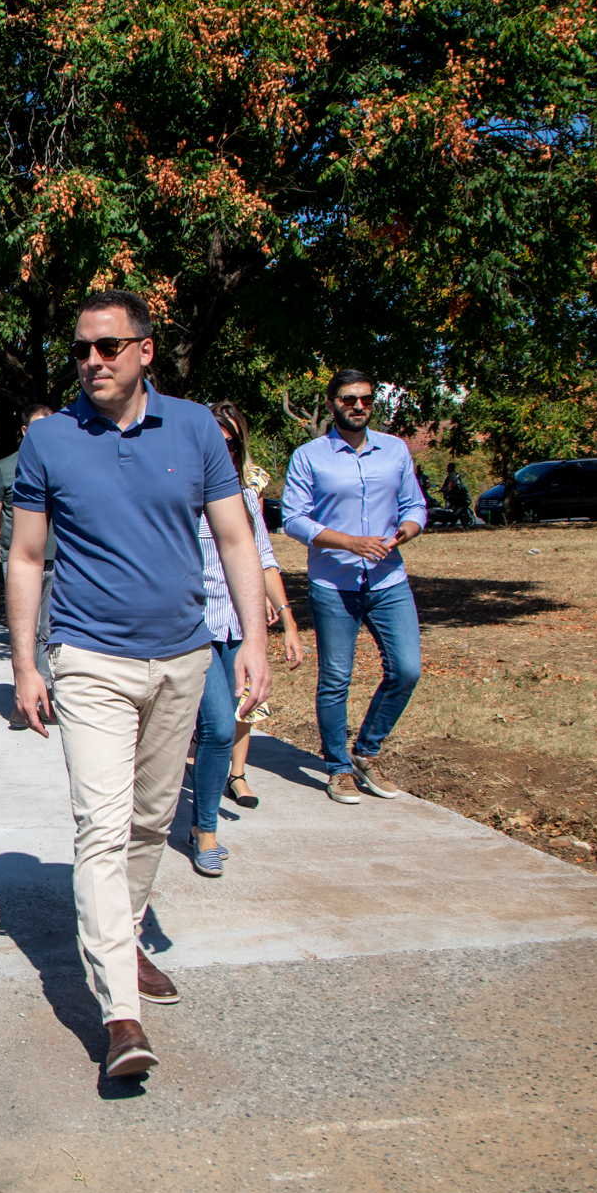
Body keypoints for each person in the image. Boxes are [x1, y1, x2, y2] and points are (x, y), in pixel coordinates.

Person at [6, 289, 271, 1079]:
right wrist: (25, 663)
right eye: (83, 348)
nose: (93, 360)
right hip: (89, 658)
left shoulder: (193, 428)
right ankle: (121, 1011)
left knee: (155, 818)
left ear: (145, 350)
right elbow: (24, 556)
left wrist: (253, 639)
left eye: (110, 346)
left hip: (184, 655)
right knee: (102, 824)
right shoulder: (49, 440)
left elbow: (234, 536)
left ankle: (126, 923)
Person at [281, 370, 426, 804]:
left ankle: (367, 751)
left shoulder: (395, 450)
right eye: (348, 399)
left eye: (364, 399)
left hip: (388, 579)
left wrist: (405, 531)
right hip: (333, 581)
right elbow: (293, 518)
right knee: (336, 679)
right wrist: (350, 543)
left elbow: (415, 504)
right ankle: (339, 767)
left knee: (406, 669)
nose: (357, 406)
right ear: (332, 404)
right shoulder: (310, 456)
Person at [186, 402, 304, 874]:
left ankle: (206, 814)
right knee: (215, 726)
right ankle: (206, 829)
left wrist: (288, 621)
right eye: (214, 439)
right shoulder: (179, 492)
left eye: (230, 441)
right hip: (192, 626)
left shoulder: (247, 499)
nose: (222, 449)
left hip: (237, 625)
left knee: (236, 718)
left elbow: (263, 559)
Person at [0, 404, 56, 727]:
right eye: (37, 427)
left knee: (49, 633)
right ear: (24, 431)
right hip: (18, 562)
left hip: (58, 561)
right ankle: (23, 702)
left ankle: (44, 696)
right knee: (28, 631)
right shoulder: (5, 469)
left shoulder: (62, 465)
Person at [443, 462, 473, 527]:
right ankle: (453, 522)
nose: (447, 469)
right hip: (457, 495)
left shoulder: (452, 475)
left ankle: (447, 522)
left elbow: (450, 484)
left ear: (451, 468)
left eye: (448, 468)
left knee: (450, 508)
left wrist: (448, 491)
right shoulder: (457, 475)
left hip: (454, 495)